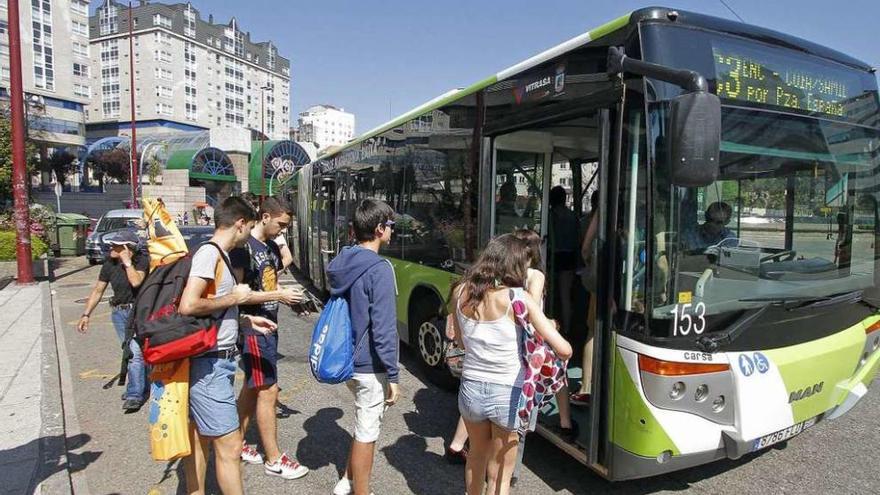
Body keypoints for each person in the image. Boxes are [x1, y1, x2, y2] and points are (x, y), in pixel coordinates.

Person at [450, 234, 572, 495]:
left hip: (470, 390)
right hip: (507, 394)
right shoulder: (518, 298)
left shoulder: (460, 292)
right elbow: (564, 350)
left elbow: (460, 343)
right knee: (501, 476)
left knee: (476, 457)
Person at [178, 197, 277, 495]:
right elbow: (189, 305)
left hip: (211, 361)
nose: (249, 234)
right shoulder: (210, 255)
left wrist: (244, 321)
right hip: (210, 366)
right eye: (248, 228)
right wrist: (236, 298)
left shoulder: (217, 255)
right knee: (231, 446)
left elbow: (213, 309)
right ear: (240, 224)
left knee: (199, 440)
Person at [230, 197, 308, 480]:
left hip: (270, 325)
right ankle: (274, 459)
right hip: (252, 328)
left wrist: (291, 302)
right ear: (265, 216)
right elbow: (238, 295)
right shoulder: (243, 249)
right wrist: (279, 295)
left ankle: (236, 442)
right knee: (268, 390)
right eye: (281, 224)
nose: (283, 231)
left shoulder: (272, 247)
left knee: (253, 387)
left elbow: (269, 281)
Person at [329, 199, 400, 495]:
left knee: (361, 423)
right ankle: (362, 491)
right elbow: (384, 329)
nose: (393, 231)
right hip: (369, 364)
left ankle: (347, 479)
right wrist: (393, 376)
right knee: (367, 433)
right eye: (391, 226)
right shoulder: (379, 269)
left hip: (345, 359)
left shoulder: (342, 260)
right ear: (379, 228)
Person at [76, 229, 150, 412]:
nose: (111, 247)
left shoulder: (141, 261)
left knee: (134, 353)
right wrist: (86, 314)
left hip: (137, 312)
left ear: (128, 249)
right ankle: (140, 386)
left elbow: (136, 282)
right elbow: (98, 290)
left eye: (116, 245)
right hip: (118, 312)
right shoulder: (109, 264)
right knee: (129, 350)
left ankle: (134, 394)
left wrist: (127, 262)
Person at [572, 191, 599, 406]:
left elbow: (585, 248)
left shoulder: (596, 217)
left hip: (604, 283)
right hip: (626, 285)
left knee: (593, 331)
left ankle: (587, 387)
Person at [548, 185, 579, 336]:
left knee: (547, 292)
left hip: (553, 256)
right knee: (565, 295)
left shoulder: (551, 215)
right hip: (569, 257)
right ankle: (567, 328)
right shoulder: (573, 216)